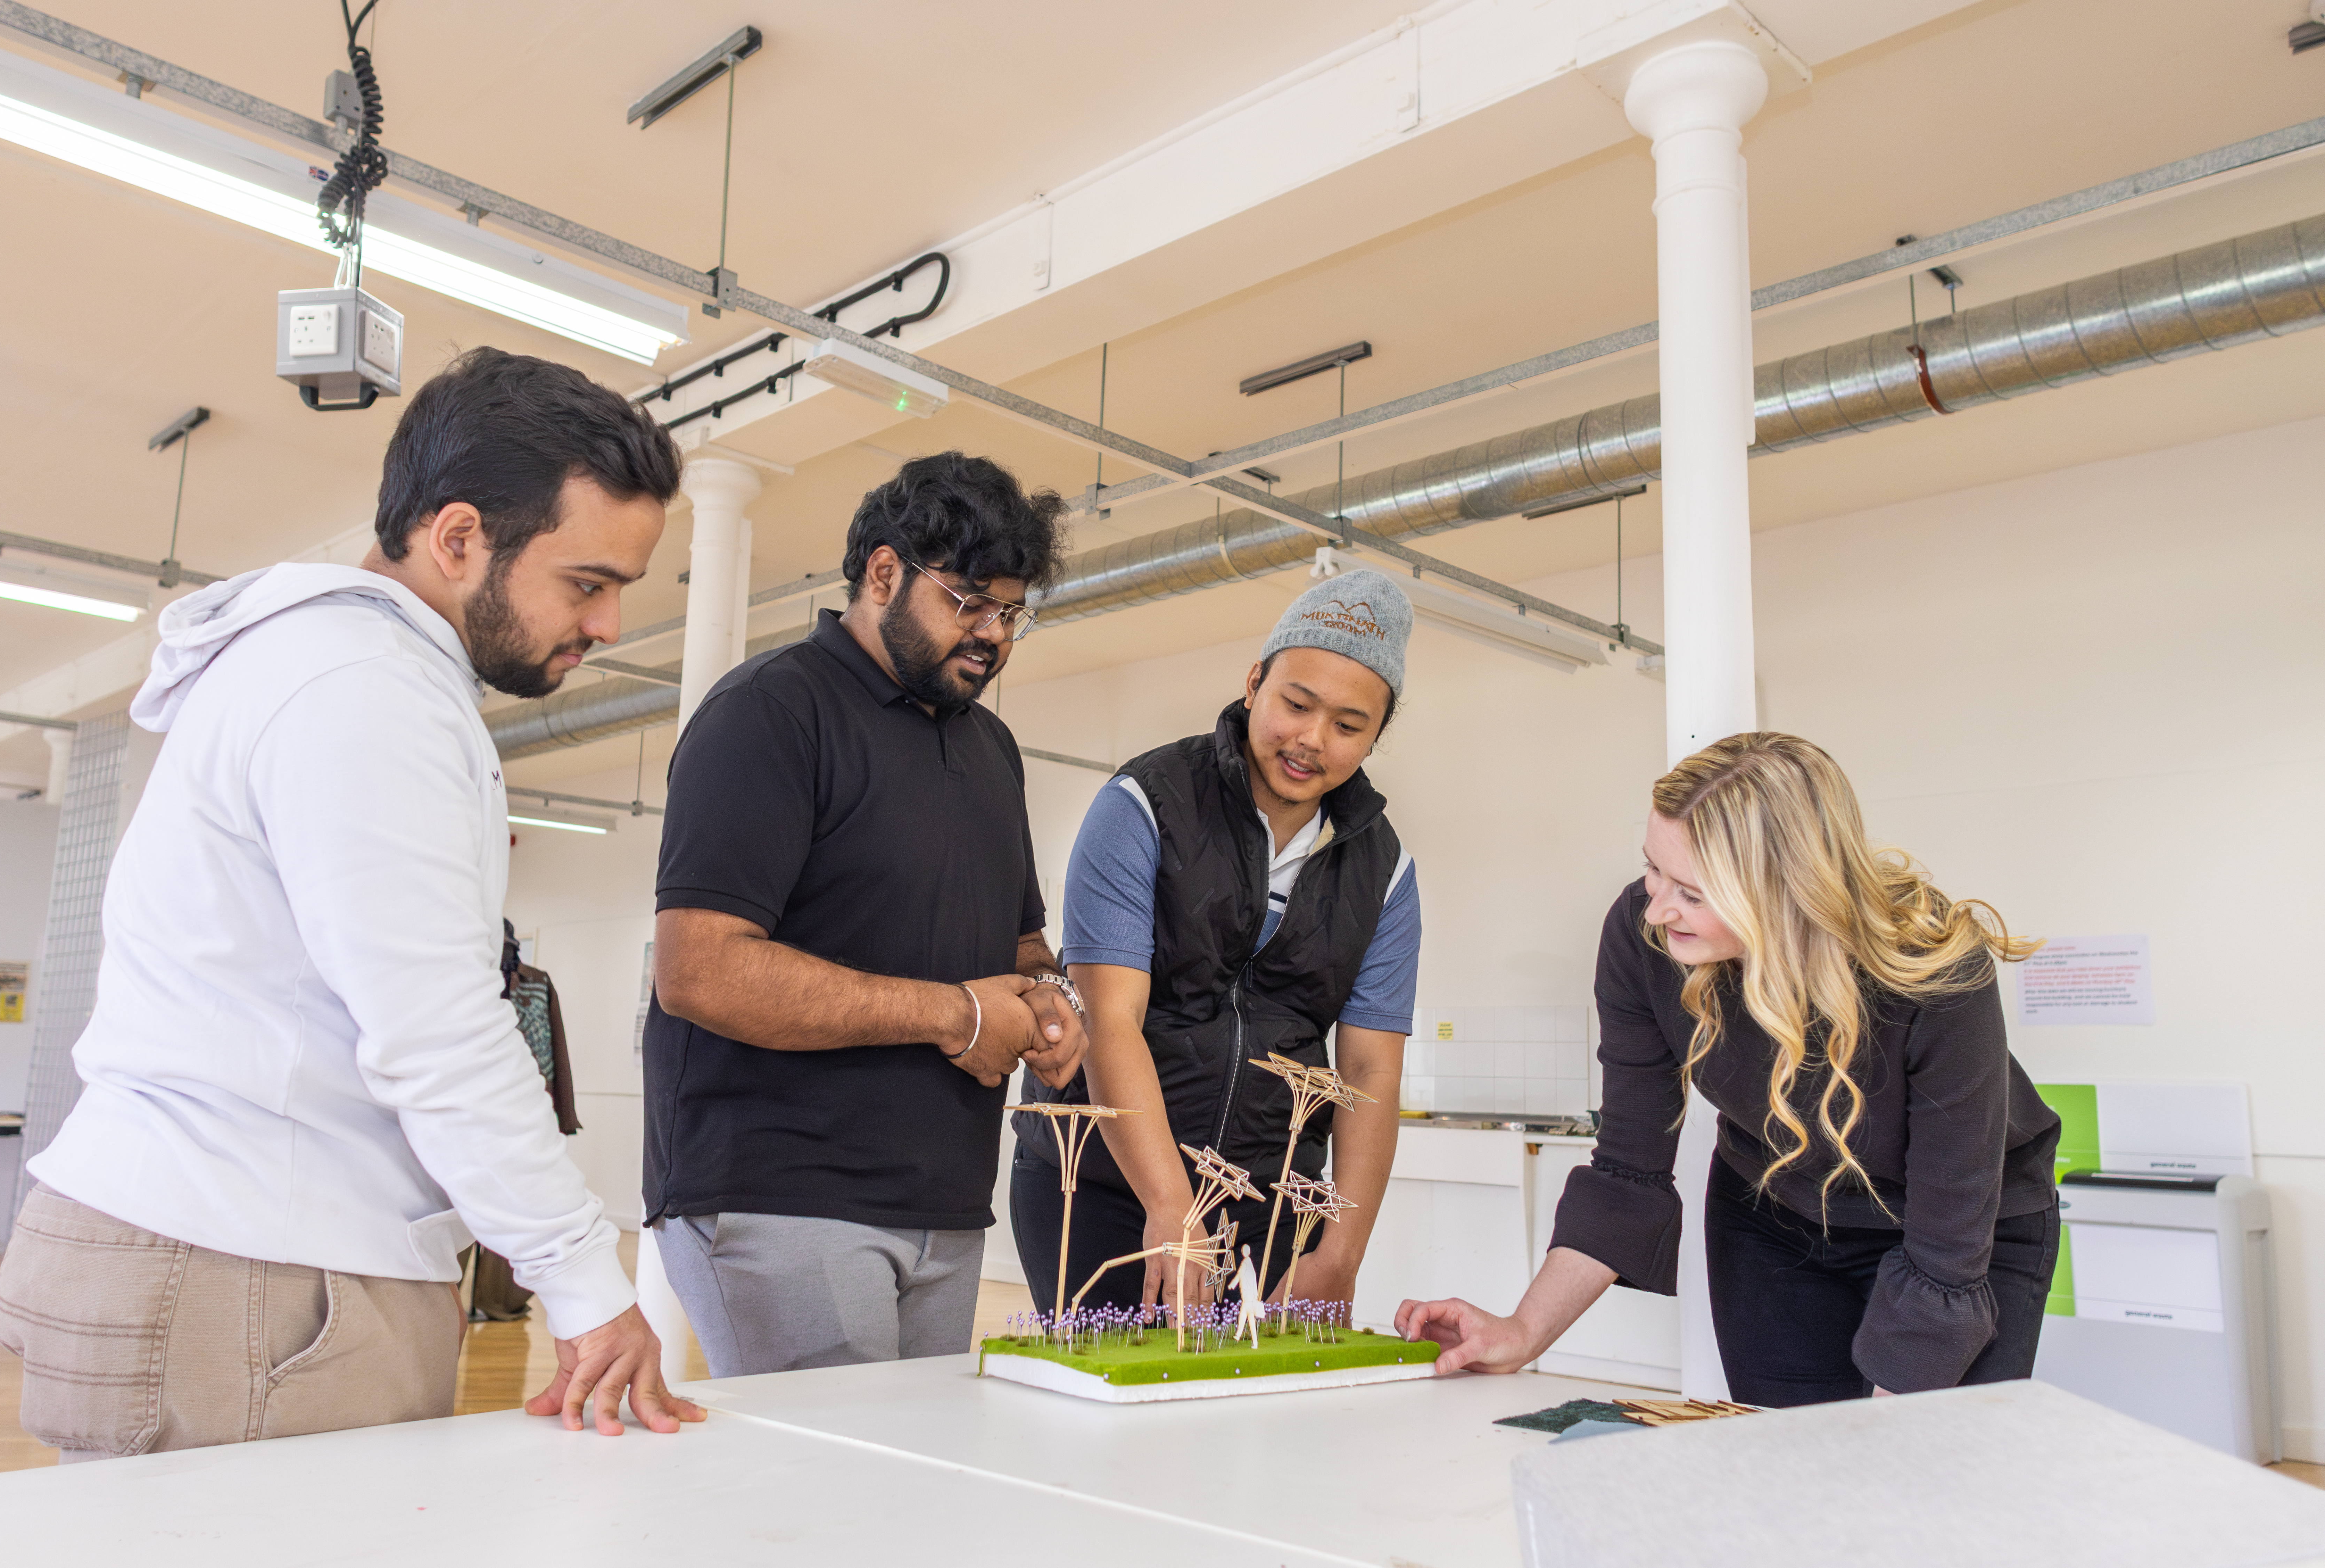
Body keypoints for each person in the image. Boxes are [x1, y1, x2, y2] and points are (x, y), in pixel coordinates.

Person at [0, 347, 702, 1457]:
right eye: (587, 582)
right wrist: (582, 1282)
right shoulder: (363, 687)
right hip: (245, 1273)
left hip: (223, 1256)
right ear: (457, 538)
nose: (608, 624)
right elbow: (437, 1027)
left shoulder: (326, 667)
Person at [1397, 732, 2061, 1406]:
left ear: (1790, 891)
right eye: (1653, 870)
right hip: (1773, 1209)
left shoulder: (1934, 970)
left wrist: (1884, 1445)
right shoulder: (1644, 938)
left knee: (1914, 1459)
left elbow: (1945, 1250)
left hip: (1961, 1234)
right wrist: (1521, 1333)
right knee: (1785, 1454)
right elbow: (1628, 1165)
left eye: (1692, 892)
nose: (1657, 909)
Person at [644, 451, 1084, 1376]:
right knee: (823, 1470)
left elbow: (1016, 940)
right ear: (884, 573)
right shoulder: (769, 711)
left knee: (911, 1470)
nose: (993, 635)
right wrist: (954, 1014)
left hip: (947, 1201)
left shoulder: (992, 748)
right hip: (782, 1191)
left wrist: (1049, 997)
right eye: (970, 601)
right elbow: (699, 969)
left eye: (1010, 612)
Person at [1015, 569, 1422, 1319]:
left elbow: (1370, 1070)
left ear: (1376, 735)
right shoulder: (1144, 804)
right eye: (1295, 704)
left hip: (1268, 1208)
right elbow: (1111, 1020)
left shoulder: (1384, 870)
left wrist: (1340, 1252)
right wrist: (1170, 1206)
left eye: (1347, 725)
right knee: (1113, 1391)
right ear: (1254, 682)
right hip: (1104, 1189)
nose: (1311, 740)